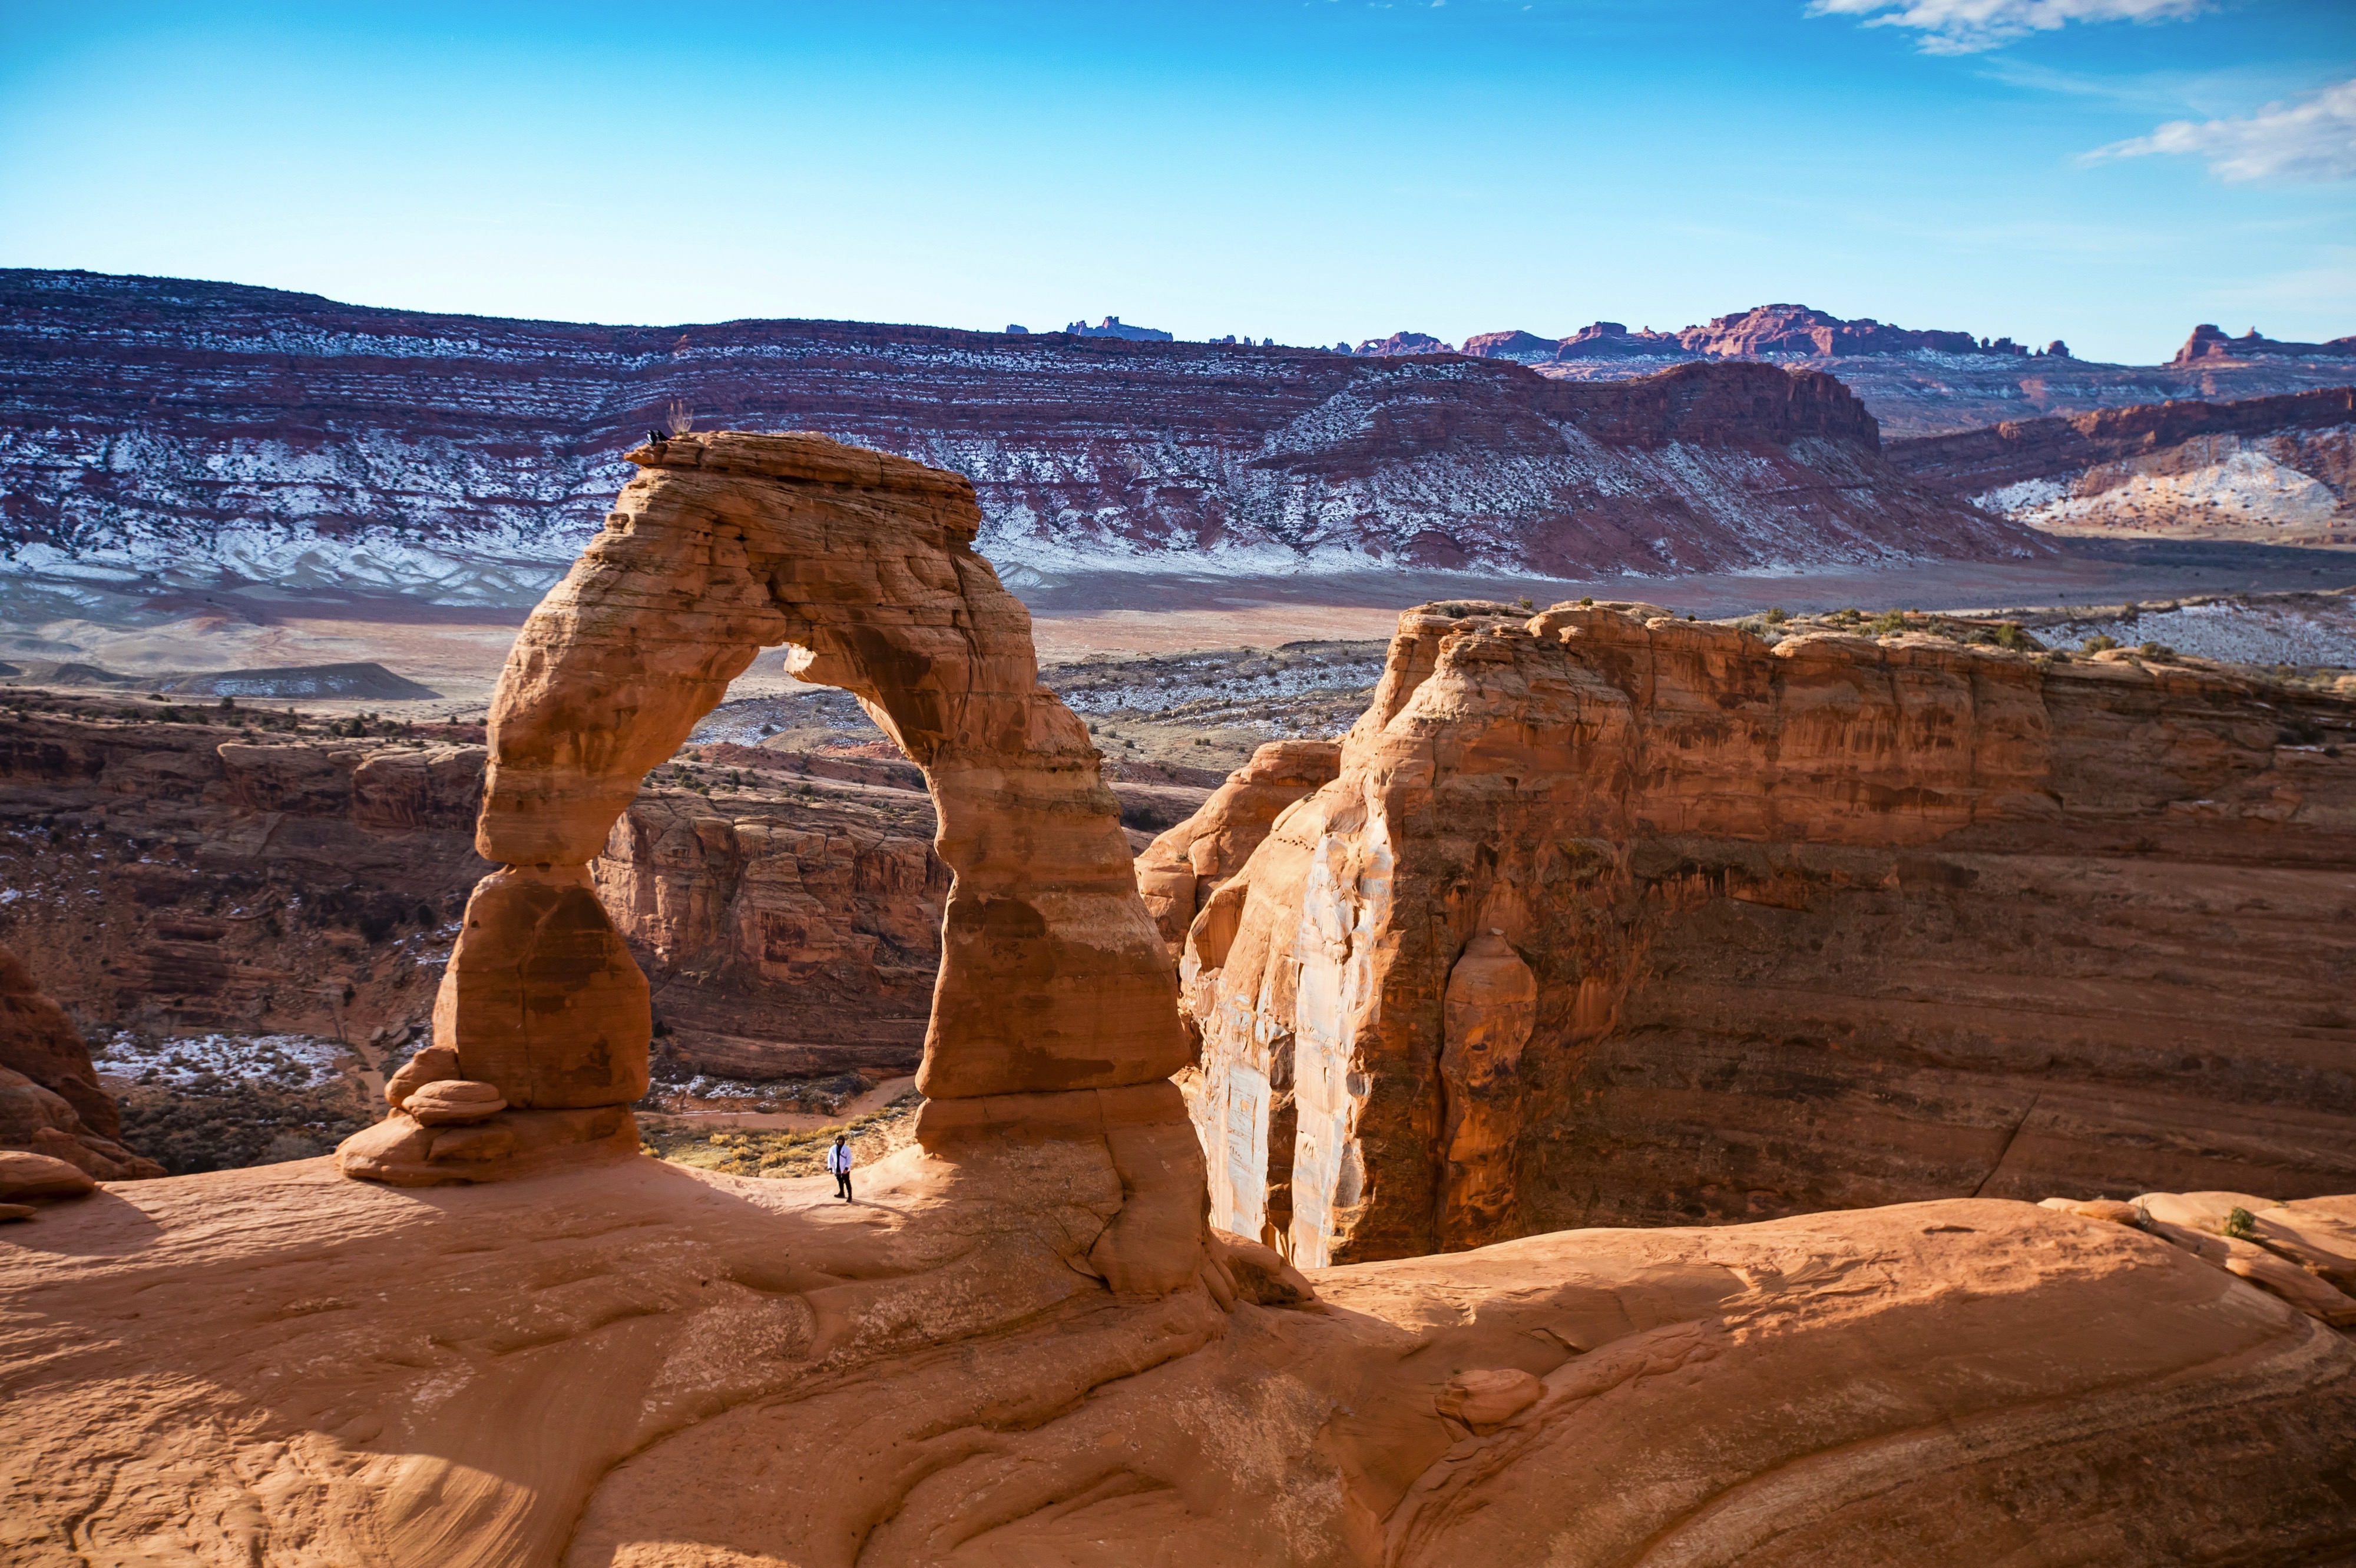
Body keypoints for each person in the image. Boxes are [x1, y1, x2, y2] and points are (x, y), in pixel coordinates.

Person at [828, 1134, 853, 1201]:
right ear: (836, 1141)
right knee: (839, 1180)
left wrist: (846, 1168)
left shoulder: (847, 1149)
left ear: (843, 1141)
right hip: (837, 1168)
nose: (839, 1142)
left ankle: (850, 1196)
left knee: (847, 1181)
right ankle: (842, 1193)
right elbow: (830, 1158)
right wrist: (830, 1168)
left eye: (841, 1141)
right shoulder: (832, 1149)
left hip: (844, 1168)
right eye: (838, 1140)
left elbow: (849, 1159)